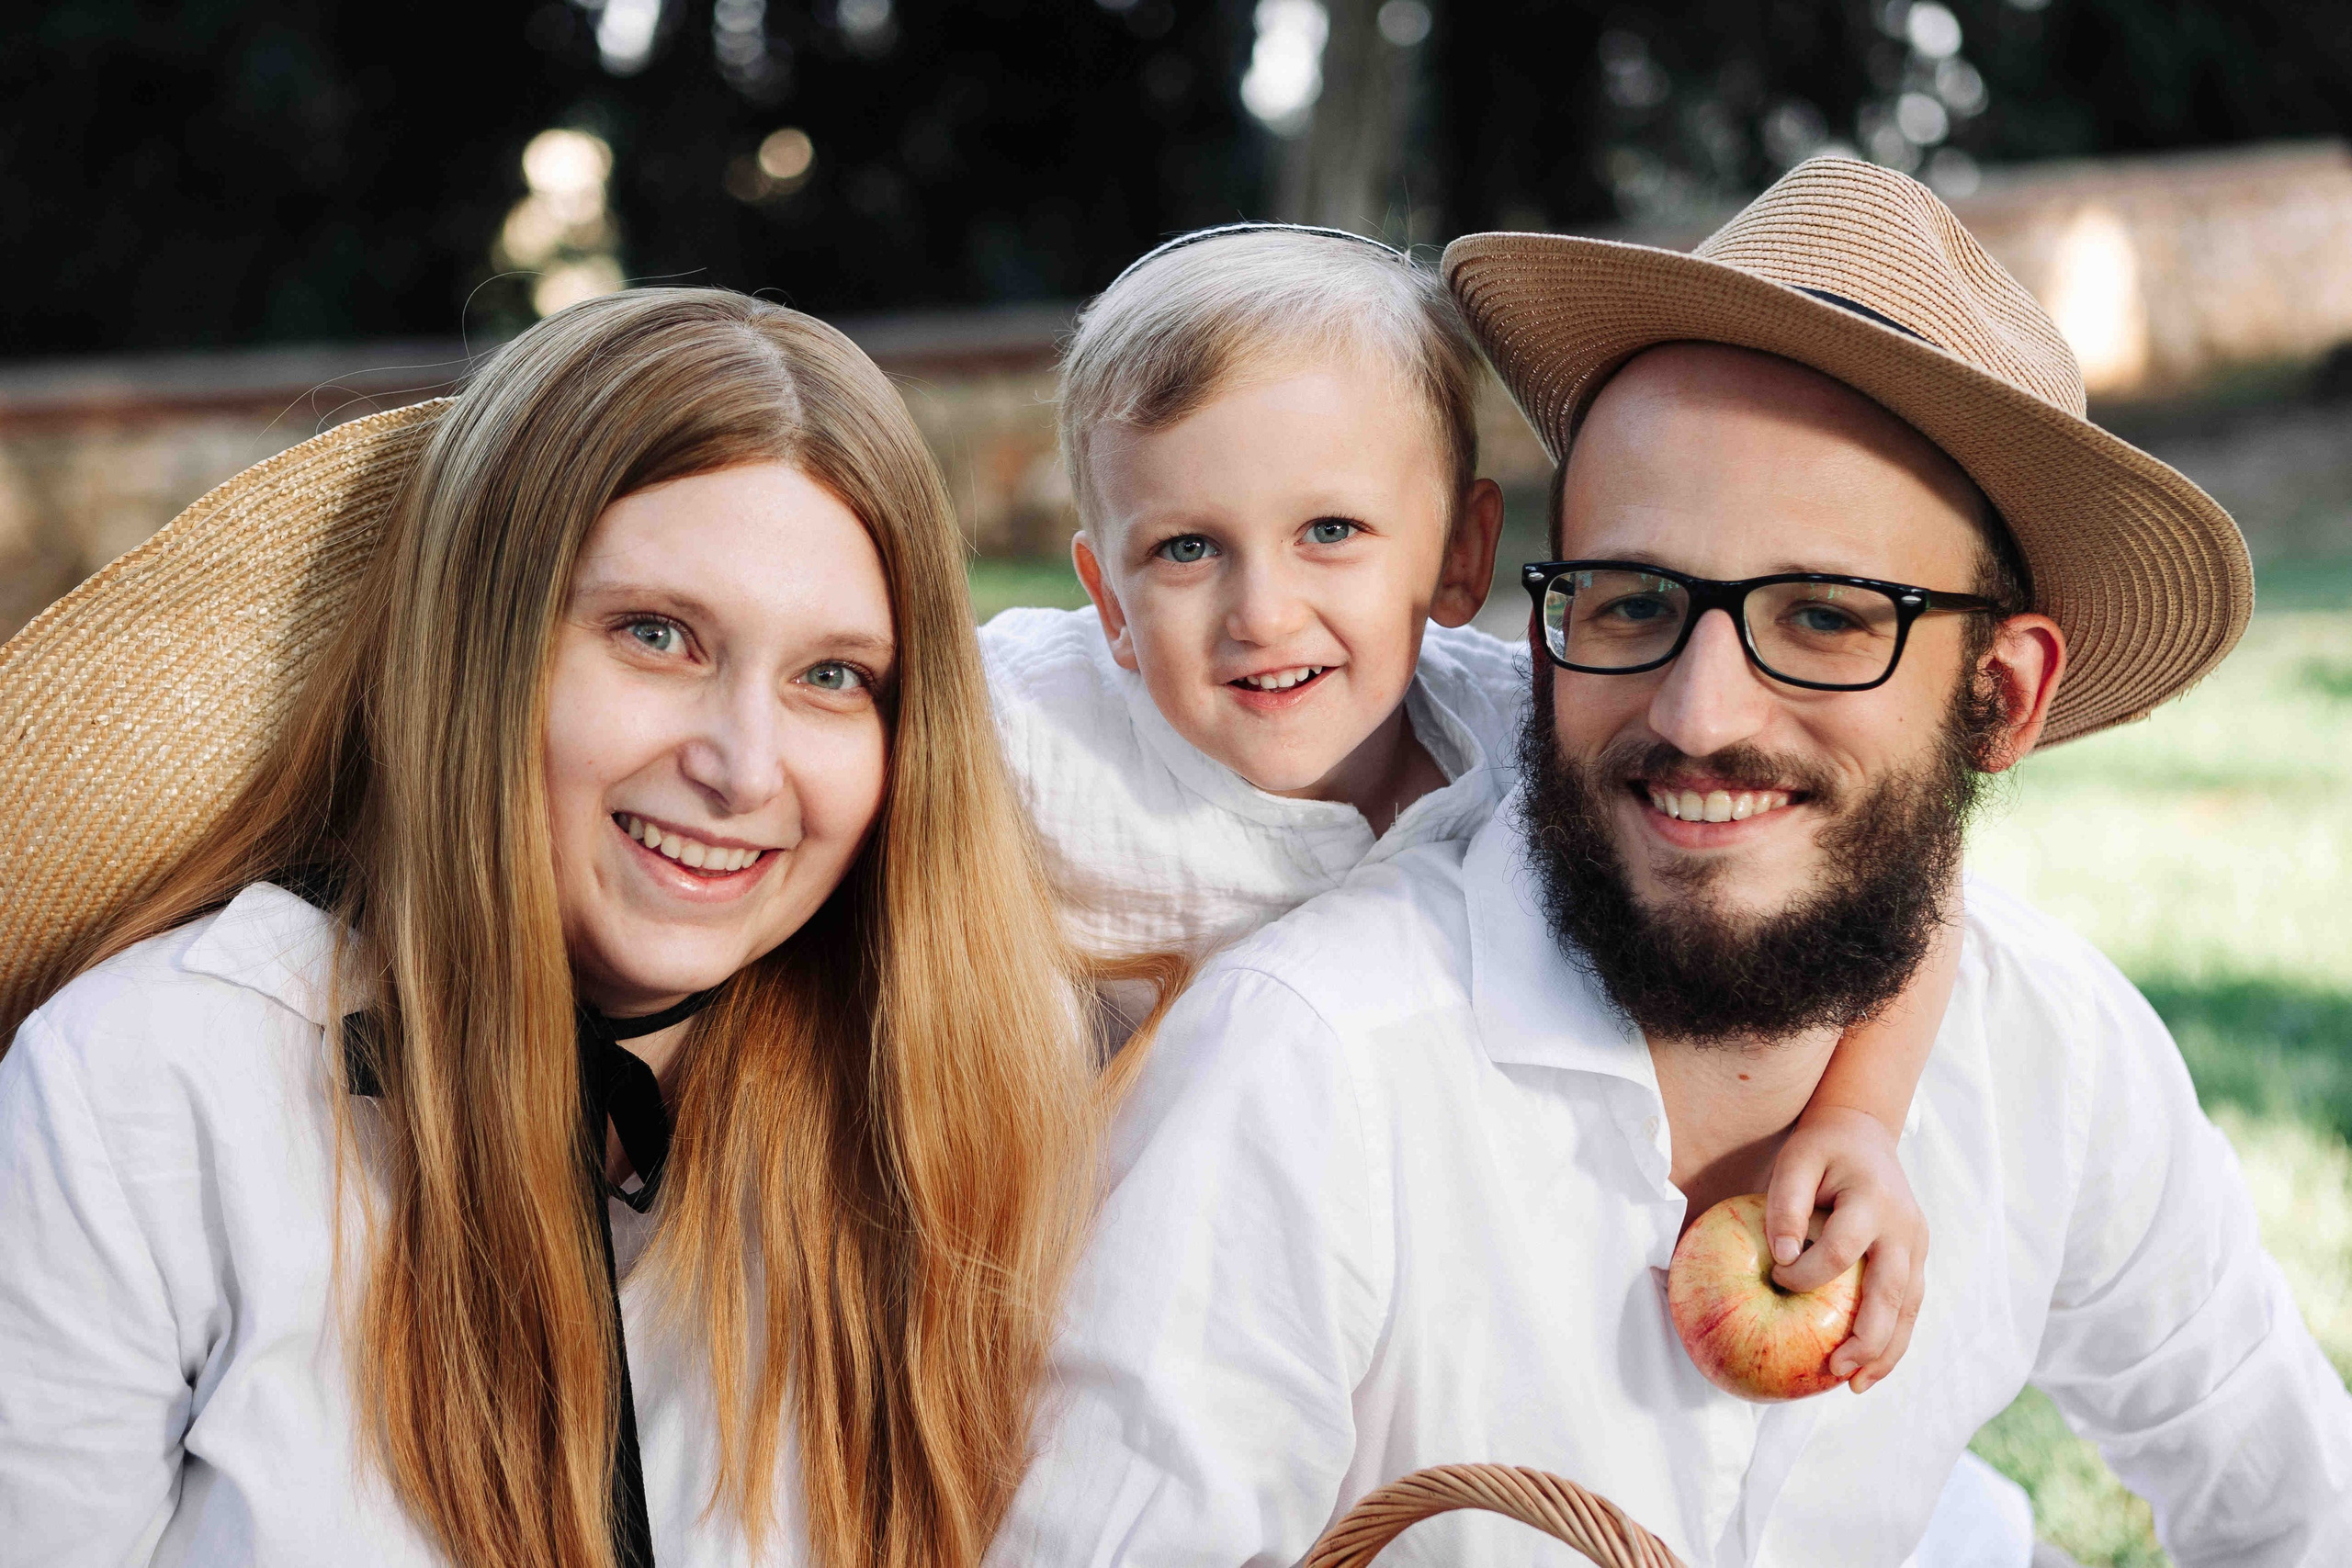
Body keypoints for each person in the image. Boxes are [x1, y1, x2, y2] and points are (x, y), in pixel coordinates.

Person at [994, 160, 2352, 1566]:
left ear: (2002, 698)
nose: (1700, 714)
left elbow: (2297, 1508)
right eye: (1636, 599)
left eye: (1827, 616)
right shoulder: (1308, 1064)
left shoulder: (2049, 1051)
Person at [0, 290, 1120, 1568]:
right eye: (656, 634)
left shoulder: (960, 1080)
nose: (746, 767)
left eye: (832, 676)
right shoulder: (149, 1084)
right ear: (483, 650)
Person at [982, 223, 1955, 1393]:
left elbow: (1918, 878)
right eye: (1187, 548)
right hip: (1071, 1265)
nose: (1262, 612)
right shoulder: (1032, 733)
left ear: (1460, 556)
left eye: (1329, 532)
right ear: (1109, 604)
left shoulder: (1515, 732)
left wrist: (1860, 1118)